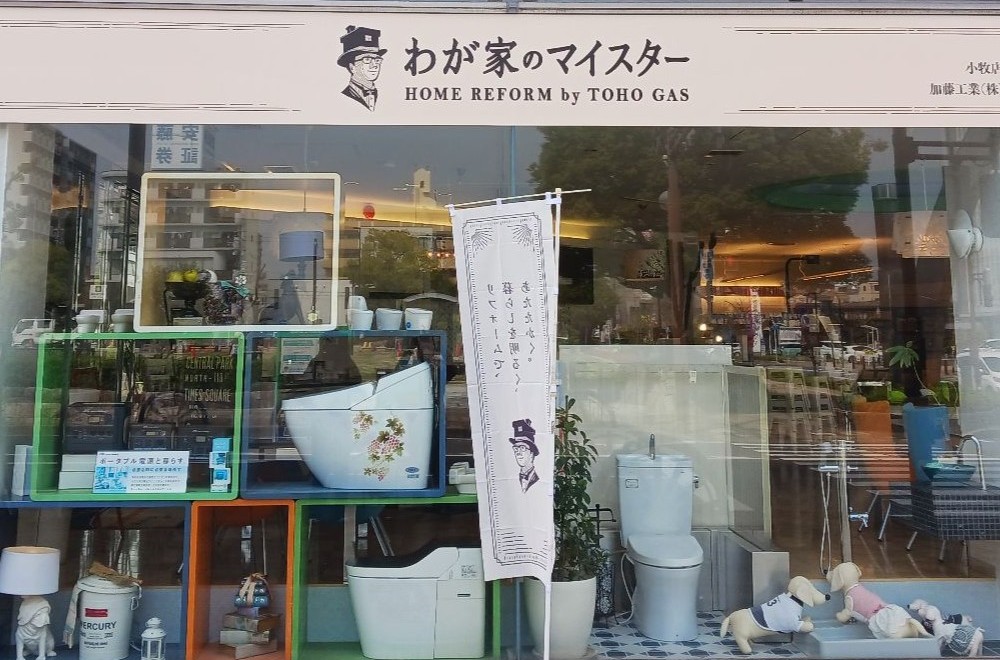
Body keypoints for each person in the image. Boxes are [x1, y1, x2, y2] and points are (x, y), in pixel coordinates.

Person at [338, 26, 386, 111]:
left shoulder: (384, 95)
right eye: (367, 60)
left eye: (377, 60)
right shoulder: (343, 98)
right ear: (352, 67)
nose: (374, 65)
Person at [509, 419, 539, 493]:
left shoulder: (537, 480)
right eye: (516, 449)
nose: (518, 453)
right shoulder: (513, 479)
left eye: (522, 448)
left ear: (531, 453)